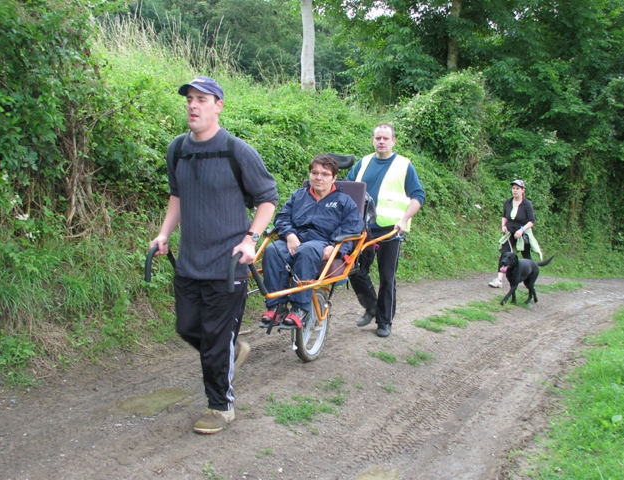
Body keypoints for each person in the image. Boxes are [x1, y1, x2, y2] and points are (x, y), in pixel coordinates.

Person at [149, 76, 278, 434]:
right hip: (190, 262)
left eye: (202, 99)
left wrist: (251, 239)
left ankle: (221, 407)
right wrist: (164, 234)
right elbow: (178, 197)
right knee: (188, 327)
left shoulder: (237, 151)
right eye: (190, 99)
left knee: (215, 341)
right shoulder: (177, 149)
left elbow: (268, 198)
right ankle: (230, 350)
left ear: (218, 105)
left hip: (228, 264)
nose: (193, 105)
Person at [260, 154, 364, 328]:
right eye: (314, 173)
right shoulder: (299, 195)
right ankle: (276, 306)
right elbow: (282, 218)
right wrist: (290, 235)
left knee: (306, 250)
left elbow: (353, 228)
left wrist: (336, 249)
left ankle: (299, 308)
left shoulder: (344, 201)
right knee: (272, 250)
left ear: (334, 178)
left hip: (322, 241)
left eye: (325, 174)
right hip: (295, 238)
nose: (318, 177)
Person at [347, 124, 425, 338]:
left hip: (391, 230)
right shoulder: (363, 163)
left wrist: (404, 219)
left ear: (394, 141)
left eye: (385, 138)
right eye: (377, 138)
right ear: (373, 139)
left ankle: (384, 321)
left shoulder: (404, 165)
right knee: (355, 271)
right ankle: (372, 305)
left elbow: (418, 196)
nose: (381, 141)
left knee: (387, 277)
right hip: (362, 229)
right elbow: (348, 190)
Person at [488, 179, 536, 288]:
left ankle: (530, 277)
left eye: (517, 189)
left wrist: (522, 230)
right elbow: (504, 216)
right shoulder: (508, 202)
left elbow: (531, 221)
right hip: (510, 232)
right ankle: (499, 280)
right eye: (513, 188)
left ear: (522, 190)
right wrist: (503, 226)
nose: (515, 191)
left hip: (522, 233)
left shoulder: (527, 204)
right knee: (504, 254)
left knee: (526, 256)